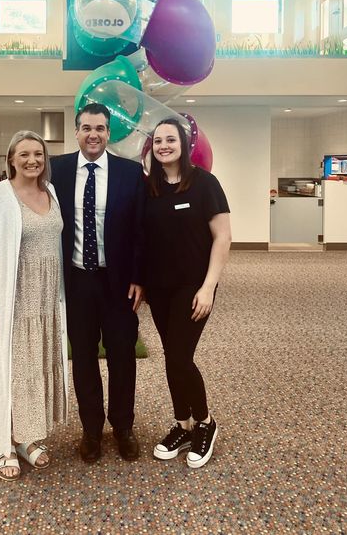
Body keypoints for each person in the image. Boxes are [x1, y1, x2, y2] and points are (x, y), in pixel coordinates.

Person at [0, 130, 68, 481]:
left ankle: (25, 438)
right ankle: (3, 444)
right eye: (24, 154)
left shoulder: (50, 192)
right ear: (11, 159)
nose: (32, 160)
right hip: (12, 300)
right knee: (10, 371)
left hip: (44, 303)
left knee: (34, 370)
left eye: (38, 154)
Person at [51, 103, 145, 463]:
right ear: (76, 132)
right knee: (85, 357)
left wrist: (139, 277)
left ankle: (123, 426)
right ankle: (91, 429)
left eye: (100, 128)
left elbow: (141, 231)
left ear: (109, 133)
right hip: (77, 281)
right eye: (87, 128)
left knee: (123, 356)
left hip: (118, 283)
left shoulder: (130, 173)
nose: (93, 134)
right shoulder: (56, 169)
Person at [144, 118, 231, 469]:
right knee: (171, 355)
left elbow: (222, 237)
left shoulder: (204, 183)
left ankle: (206, 423)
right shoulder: (149, 186)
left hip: (194, 287)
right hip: (159, 289)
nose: (164, 145)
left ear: (183, 143)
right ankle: (183, 424)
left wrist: (208, 287)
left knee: (180, 357)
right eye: (158, 140)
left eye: (171, 139)